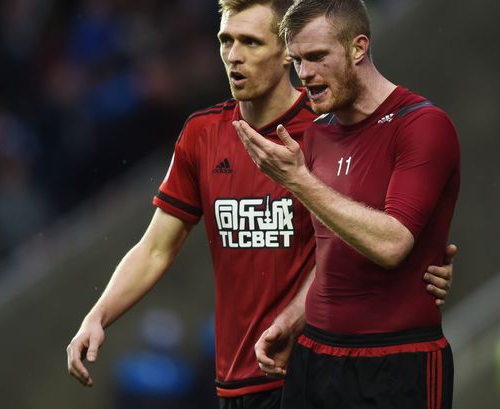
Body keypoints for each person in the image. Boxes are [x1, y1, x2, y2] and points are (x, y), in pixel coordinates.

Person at [67, 1, 455, 408]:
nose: (234, 56)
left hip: (314, 372)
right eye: (226, 41)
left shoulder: (331, 129)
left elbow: (367, 241)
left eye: (250, 42)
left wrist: (422, 264)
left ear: (287, 51)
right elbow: (156, 248)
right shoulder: (202, 135)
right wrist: (98, 315)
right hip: (236, 380)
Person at [234, 0, 460, 407]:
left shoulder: (424, 125)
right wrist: (291, 319)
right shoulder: (318, 134)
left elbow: (391, 245)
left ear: (358, 48)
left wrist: (299, 181)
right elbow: (331, 253)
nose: (305, 75)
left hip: (397, 362)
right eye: (298, 60)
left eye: (318, 57)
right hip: (315, 357)